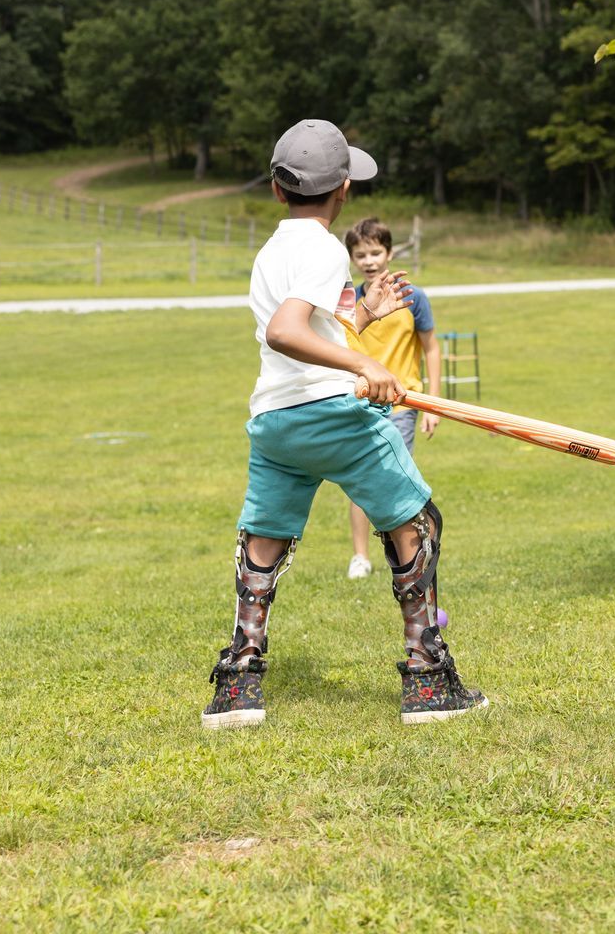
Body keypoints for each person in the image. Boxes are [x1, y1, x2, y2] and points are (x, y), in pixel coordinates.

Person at [202, 119, 486, 730]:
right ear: (345, 190)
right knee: (415, 523)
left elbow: (306, 330)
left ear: (278, 190)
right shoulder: (325, 247)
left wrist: (363, 317)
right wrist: (363, 360)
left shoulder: (271, 251)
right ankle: (429, 681)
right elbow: (287, 332)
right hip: (334, 412)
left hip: (277, 419)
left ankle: (237, 688)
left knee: (265, 537)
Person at [339, 217, 442, 580]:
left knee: (395, 478)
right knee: (359, 478)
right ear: (352, 258)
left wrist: (433, 401)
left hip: (403, 402)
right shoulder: (349, 299)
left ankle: (405, 552)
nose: (368, 261)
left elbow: (431, 348)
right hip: (360, 402)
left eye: (375, 252)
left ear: (390, 252)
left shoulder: (413, 296)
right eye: (360, 254)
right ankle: (360, 556)